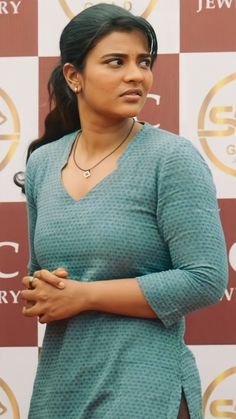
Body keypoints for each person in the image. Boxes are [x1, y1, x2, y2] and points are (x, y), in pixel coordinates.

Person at [19, 3, 228, 418]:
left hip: (145, 387)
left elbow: (205, 279)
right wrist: (44, 291)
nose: (136, 75)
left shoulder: (171, 158)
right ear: (73, 76)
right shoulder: (43, 163)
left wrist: (86, 295)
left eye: (143, 62)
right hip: (60, 391)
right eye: (116, 62)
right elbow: (37, 278)